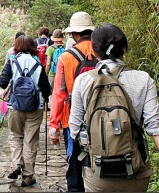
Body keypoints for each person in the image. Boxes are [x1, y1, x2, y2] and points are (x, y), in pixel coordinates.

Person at [69, 23, 159, 192]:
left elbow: (74, 130)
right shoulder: (143, 80)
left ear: (94, 51)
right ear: (124, 48)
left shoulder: (83, 81)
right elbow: (156, 128)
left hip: (98, 173)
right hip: (136, 171)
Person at [49, 11, 97, 192]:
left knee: (75, 165)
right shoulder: (103, 52)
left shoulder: (66, 57)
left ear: (74, 34)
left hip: (72, 120)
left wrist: (54, 125)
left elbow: (60, 94)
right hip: (101, 117)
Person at [0, 34, 51, 187]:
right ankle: (28, 176)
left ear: (17, 46)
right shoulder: (37, 63)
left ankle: (15, 164)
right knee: (30, 141)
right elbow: (46, 89)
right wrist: (45, 97)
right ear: (33, 47)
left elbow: (2, 82)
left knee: (15, 136)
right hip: (35, 108)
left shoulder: (12, 61)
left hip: (15, 107)